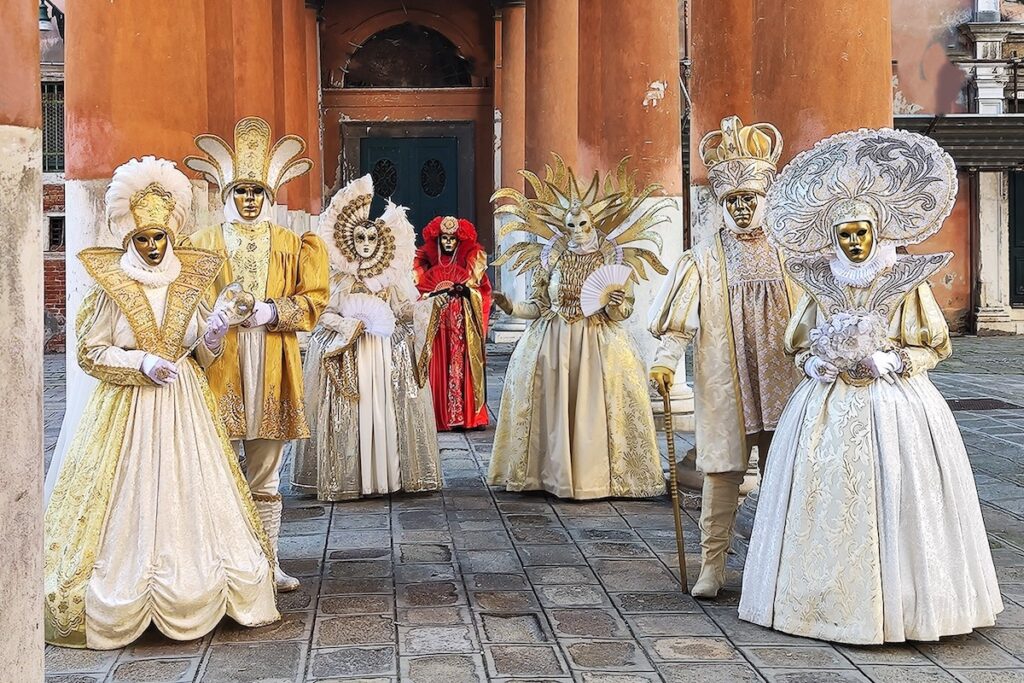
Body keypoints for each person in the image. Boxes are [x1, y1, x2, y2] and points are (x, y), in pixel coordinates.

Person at [739, 128, 1002, 644]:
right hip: (827, 406)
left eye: (861, 233)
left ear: (878, 231)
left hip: (895, 407)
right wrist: (817, 364)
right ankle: (821, 602)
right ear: (832, 237)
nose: (853, 243)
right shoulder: (820, 282)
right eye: (844, 235)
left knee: (899, 490)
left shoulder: (905, 281)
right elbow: (800, 343)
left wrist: (893, 360)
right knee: (825, 497)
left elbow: (935, 345)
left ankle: (906, 604)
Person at [44, 157, 279, 649]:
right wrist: (140, 364)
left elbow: (199, 346)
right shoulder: (113, 286)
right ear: (130, 239)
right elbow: (90, 351)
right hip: (128, 410)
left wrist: (213, 333)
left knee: (191, 490)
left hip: (183, 403)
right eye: (143, 240)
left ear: (171, 237)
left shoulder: (186, 281)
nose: (152, 248)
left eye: (159, 239)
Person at [648, 116, 803, 598]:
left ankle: (783, 563)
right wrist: (666, 360)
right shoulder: (703, 258)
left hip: (783, 374)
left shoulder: (793, 253)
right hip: (728, 376)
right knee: (721, 471)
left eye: (748, 200)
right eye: (731, 200)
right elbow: (681, 318)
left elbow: (818, 311)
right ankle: (712, 566)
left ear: (765, 200)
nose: (740, 208)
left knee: (786, 470)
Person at [183, 116, 329, 591]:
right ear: (226, 196)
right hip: (218, 365)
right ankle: (222, 566)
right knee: (216, 475)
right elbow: (184, 305)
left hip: (271, 361)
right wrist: (214, 322)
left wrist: (268, 311)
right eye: (240, 191)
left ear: (269, 197)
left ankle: (267, 564)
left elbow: (314, 300)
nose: (248, 200)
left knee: (265, 478)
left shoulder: (293, 243)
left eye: (256, 192)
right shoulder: (201, 244)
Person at [487, 155, 668, 500]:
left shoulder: (611, 260)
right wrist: (510, 306)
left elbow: (623, 311)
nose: (577, 232)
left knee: (596, 409)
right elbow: (540, 307)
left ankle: (594, 478)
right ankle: (548, 475)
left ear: (593, 222)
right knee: (551, 412)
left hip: (599, 345)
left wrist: (616, 305)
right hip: (552, 344)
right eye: (570, 226)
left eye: (583, 224)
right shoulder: (551, 258)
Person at [290, 174, 441, 500]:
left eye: (372, 239)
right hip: (349, 351)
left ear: (382, 242)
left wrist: (423, 310)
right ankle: (349, 476)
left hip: (383, 352)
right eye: (360, 238)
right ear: (348, 241)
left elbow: (401, 310)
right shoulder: (337, 278)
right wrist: (344, 326)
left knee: (384, 409)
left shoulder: (390, 279)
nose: (366, 244)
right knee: (352, 412)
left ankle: (388, 475)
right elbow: (321, 312)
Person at [414, 215, 491, 430]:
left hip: (461, 326)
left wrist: (465, 291)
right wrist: (431, 295)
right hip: (437, 326)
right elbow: (417, 292)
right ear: (437, 241)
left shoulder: (471, 261)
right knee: (437, 364)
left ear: (459, 241)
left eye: (452, 239)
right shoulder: (425, 262)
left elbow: (481, 292)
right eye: (444, 238)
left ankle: (466, 416)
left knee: (461, 365)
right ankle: (438, 416)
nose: (448, 242)